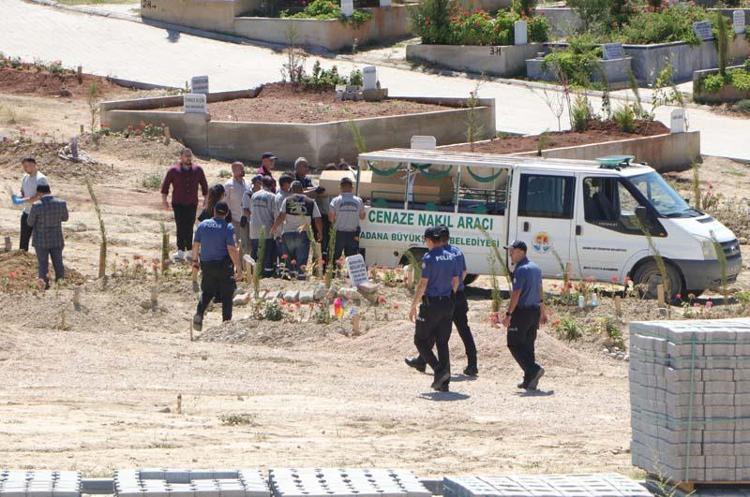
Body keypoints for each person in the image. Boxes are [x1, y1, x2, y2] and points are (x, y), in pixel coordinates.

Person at [405, 226, 478, 377]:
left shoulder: (434, 255)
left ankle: (428, 363)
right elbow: (463, 272)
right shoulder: (456, 252)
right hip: (456, 295)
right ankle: (472, 364)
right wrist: (453, 290)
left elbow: (424, 282)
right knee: (461, 330)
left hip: (442, 297)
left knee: (433, 330)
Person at [409, 227, 460, 392]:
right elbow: (456, 282)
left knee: (420, 340)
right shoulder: (451, 257)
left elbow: (423, 284)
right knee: (442, 342)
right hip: (447, 303)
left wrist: (413, 305)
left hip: (432, 305)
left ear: (430, 240)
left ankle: (439, 371)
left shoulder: (429, 258)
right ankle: (444, 383)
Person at [502, 240, 547, 391]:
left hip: (521, 312)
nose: (510, 254)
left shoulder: (520, 269)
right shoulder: (536, 268)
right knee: (528, 346)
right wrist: (542, 311)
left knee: (513, 343)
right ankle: (529, 380)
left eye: (512, 251)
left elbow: (516, 293)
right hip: (534, 312)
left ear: (521, 251)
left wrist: (508, 314)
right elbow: (540, 289)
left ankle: (533, 370)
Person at [191, 201, 240, 331]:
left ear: (214, 211)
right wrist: (238, 268)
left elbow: (195, 245)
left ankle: (199, 314)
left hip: (206, 264)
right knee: (227, 295)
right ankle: (226, 324)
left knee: (207, 292)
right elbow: (231, 249)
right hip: (223, 265)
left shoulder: (203, 225)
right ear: (227, 214)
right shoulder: (228, 227)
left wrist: (195, 261)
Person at [161, 148, 208, 262]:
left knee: (190, 226)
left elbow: (204, 186)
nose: (188, 158)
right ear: (181, 157)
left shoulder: (198, 170)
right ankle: (181, 250)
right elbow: (165, 186)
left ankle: (190, 251)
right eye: (186, 156)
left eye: (190, 156)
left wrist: (206, 200)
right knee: (180, 226)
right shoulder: (173, 170)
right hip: (178, 203)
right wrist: (164, 201)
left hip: (192, 203)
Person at [271, 181, 323, 280]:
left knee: (290, 257)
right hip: (303, 234)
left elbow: (281, 216)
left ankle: (292, 277)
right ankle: (301, 277)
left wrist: (274, 227)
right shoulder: (311, 202)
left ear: (291, 190)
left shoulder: (287, 200)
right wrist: (320, 232)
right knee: (301, 258)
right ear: (302, 189)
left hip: (288, 233)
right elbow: (317, 219)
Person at [27, 178, 68, 289]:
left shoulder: (36, 205)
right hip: (57, 239)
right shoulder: (61, 203)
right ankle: (60, 285)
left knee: (43, 264)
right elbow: (65, 218)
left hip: (41, 240)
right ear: (49, 191)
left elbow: (29, 222)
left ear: (39, 193)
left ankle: (44, 286)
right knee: (58, 262)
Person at [328, 177, 365, 262]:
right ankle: (349, 275)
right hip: (353, 234)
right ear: (352, 188)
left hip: (339, 233)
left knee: (334, 257)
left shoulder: (335, 201)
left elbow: (331, 218)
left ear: (340, 188)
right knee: (352, 259)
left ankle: (333, 274)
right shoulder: (359, 201)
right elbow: (362, 217)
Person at [247, 176, 277, 277]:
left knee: (255, 251)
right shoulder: (272, 197)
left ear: (261, 184)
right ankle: (267, 273)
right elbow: (275, 214)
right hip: (266, 229)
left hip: (254, 229)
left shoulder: (254, 195)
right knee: (267, 252)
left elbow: (251, 211)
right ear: (272, 185)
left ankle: (254, 272)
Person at [17, 157, 47, 252]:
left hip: (39, 215)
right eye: (24, 167)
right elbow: (22, 191)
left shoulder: (41, 179)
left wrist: (24, 200)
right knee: (23, 241)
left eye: (26, 166)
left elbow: (39, 196)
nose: (25, 168)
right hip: (26, 213)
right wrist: (21, 197)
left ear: (33, 165)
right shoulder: (25, 177)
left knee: (39, 242)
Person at [224, 161, 248, 257]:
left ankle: (244, 266)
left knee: (246, 243)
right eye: (241, 169)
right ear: (234, 171)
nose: (243, 170)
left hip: (246, 219)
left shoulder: (247, 183)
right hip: (235, 219)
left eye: (243, 168)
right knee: (236, 243)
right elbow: (225, 202)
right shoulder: (228, 185)